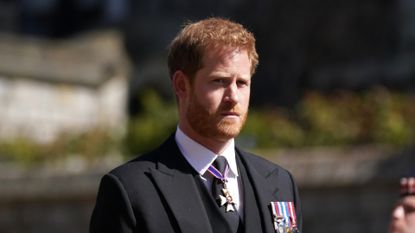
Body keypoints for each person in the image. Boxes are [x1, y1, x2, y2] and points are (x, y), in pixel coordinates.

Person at [90, 17, 302, 233]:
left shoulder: (280, 184)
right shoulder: (130, 190)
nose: (233, 97)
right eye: (219, 81)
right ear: (182, 85)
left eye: (242, 83)